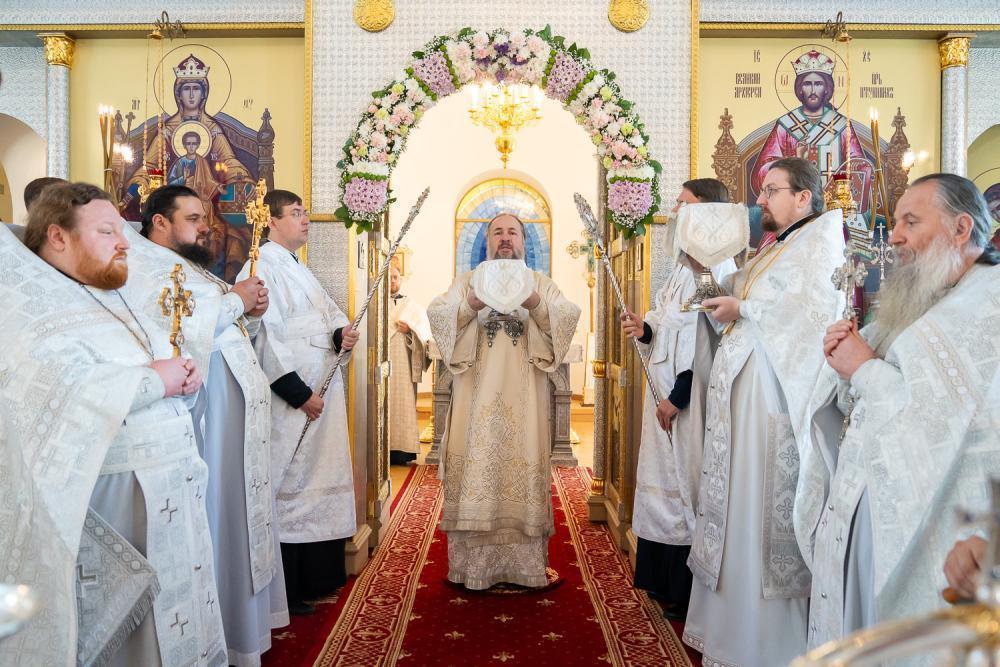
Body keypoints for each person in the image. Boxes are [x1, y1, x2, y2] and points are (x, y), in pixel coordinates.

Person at [0, 182, 225, 666]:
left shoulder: (104, 294)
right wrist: (155, 380)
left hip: (169, 496)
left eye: (122, 231)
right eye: (107, 232)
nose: (125, 243)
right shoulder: (33, 305)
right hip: (116, 510)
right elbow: (59, 394)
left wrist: (180, 377)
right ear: (57, 237)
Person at [796, 173, 1000, 650]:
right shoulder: (927, 294)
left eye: (911, 221)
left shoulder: (986, 307)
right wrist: (845, 366)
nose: (896, 237)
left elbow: (944, 426)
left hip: (930, 534)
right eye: (896, 223)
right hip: (875, 514)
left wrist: (864, 368)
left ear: (961, 228)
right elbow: (872, 395)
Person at [681, 158, 845, 666]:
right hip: (746, 401)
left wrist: (744, 308)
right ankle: (733, 634)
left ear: (803, 197)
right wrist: (709, 276)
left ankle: (768, 647)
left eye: (772, 189)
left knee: (759, 513)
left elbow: (812, 311)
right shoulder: (780, 246)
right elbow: (743, 293)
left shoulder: (821, 242)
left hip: (772, 403)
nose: (761, 200)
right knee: (738, 510)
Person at [135, 184, 288, 665]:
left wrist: (251, 313)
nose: (206, 227)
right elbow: (179, 334)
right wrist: (238, 301)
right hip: (210, 420)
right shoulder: (145, 268)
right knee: (220, 515)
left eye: (204, 217)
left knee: (238, 514)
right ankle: (222, 630)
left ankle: (242, 626)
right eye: (194, 218)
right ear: (160, 222)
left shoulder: (191, 269)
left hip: (235, 421)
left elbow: (226, 332)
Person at [428, 213, 581, 590]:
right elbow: (438, 315)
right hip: (475, 402)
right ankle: (472, 570)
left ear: (524, 242)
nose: (505, 238)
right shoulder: (468, 282)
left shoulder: (540, 284)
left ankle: (524, 569)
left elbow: (566, 317)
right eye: (498, 232)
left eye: (513, 232)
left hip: (525, 404)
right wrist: (470, 304)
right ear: (487, 241)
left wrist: (535, 303)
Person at [619, 178, 737, 620]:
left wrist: (679, 397)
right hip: (665, 390)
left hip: (686, 399)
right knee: (662, 485)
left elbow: (710, 339)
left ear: (706, 213)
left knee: (686, 487)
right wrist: (645, 328)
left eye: (684, 205)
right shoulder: (684, 265)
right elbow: (668, 325)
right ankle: (663, 580)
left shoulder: (715, 266)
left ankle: (688, 593)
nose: (675, 211)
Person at [238, 189, 358, 615]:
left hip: (321, 388)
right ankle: (288, 588)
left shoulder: (295, 265)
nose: (305, 220)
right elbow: (265, 337)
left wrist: (339, 335)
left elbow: (328, 316)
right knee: (290, 483)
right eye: (295, 213)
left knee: (316, 481)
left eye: (305, 212)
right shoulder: (262, 266)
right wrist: (298, 393)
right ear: (271, 221)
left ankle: (316, 580)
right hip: (294, 398)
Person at [751, 50, 872, 211]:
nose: (813, 90)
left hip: (836, 208)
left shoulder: (842, 125)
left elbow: (859, 166)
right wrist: (794, 161)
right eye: (807, 84)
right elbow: (761, 172)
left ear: (827, 88)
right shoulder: (785, 125)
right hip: (794, 208)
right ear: (800, 88)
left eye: (819, 84)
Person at [388, 261, 430, 466]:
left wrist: (410, 331)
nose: (392, 281)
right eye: (388, 278)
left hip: (404, 363)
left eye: (395, 277)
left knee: (403, 403)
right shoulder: (376, 304)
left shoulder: (412, 306)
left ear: (401, 280)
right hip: (383, 363)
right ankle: (383, 450)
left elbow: (424, 334)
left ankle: (403, 452)